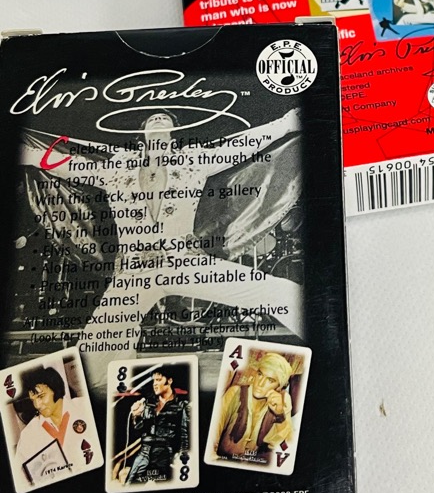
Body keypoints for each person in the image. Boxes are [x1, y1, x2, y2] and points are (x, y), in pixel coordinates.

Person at [20, 107, 304, 388]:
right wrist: (26, 153)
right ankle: (109, 385)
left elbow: (240, 146)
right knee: (89, 360)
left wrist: (285, 123)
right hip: (135, 272)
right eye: (153, 117)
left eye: (165, 118)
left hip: (184, 262)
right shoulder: (116, 166)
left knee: (279, 291)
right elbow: (69, 165)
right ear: (142, 132)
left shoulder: (194, 160)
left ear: (173, 131)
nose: (158, 118)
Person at [14, 365, 96, 488]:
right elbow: (20, 480)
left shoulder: (85, 407)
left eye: (41, 396)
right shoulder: (28, 435)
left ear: (56, 389)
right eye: (33, 400)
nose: (37, 405)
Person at [213, 352, 292, 463]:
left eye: (270, 380)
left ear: (278, 387)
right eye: (260, 374)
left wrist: (279, 415)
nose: (260, 383)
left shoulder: (282, 401)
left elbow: (285, 446)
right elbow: (213, 434)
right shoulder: (235, 393)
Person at [124, 366, 190, 484]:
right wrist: (136, 415)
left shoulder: (181, 405)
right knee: (129, 485)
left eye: (158, 380)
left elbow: (184, 434)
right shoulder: (149, 403)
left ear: (169, 381)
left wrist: (183, 457)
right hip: (144, 452)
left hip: (164, 453)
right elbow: (138, 428)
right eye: (154, 380)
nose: (155, 384)